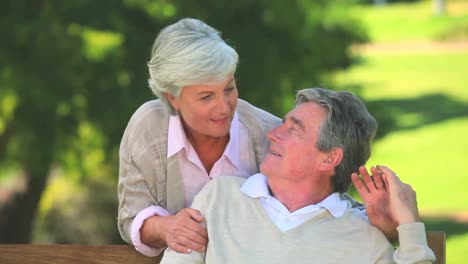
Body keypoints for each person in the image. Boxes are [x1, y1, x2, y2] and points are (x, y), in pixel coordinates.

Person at [118, 17, 396, 257]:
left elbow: (323, 199)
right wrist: (166, 228)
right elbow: (131, 215)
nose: (224, 107)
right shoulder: (149, 127)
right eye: (206, 97)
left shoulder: (268, 135)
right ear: (173, 98)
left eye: (229, 88)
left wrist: (386, 225)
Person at [160, 88, 436, 263]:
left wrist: (408, 225)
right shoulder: (219, 197)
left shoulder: (364, 238)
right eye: (283, 124)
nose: (272, 134)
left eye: (294, 129)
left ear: (329, 158)